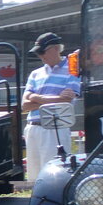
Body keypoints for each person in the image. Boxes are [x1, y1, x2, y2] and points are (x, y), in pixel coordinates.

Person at [21, 31, 80, 181]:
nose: (40, 56)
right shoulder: (35, 73)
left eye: (42, 52)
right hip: (33, 128)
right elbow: (24, 105)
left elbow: (66, 101)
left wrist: (36, 97)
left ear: (56, 48)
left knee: (54, 176)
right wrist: (54, 98)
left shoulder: (72, 69)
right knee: (34, 178)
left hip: (55, 128)